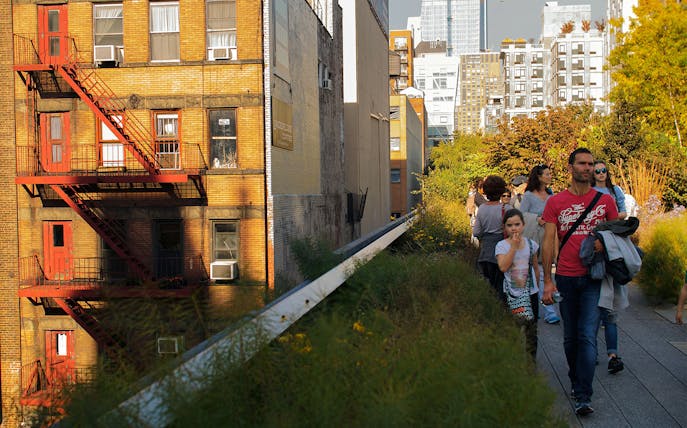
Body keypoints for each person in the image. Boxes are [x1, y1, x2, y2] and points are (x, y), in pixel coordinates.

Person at [541, 148, 619, 416]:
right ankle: (576, 381)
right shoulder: (556, 202)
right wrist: (547, 281)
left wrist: (603, 243)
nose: (587, 168)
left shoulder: (605, 201)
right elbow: (548, 240)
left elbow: (620, 236)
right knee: (570, 337)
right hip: (565, 276)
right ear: (571, 166)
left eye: (591, 164)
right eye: (582, 164)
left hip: (594, 277)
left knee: (587, 336)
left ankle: (584, 395)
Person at [592, 160, 628, 374]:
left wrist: (609, 219)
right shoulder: (588, 192)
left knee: (610, 310)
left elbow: (623, 213)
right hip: (596, 248)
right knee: (595, 306)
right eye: (597, 170)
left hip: (613, 245)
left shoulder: (615, 190)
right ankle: (593, 351)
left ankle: (613, 354)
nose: (600, 173)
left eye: (604, 170)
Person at [496, 209, 540, 360]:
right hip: (511, 294)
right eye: (509, 225)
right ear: (505, 227)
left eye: (517, 224)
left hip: (530, 293)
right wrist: (513, 248)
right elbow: (503, 267)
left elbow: (535, 267)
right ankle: (513, 361)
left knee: (531, 331)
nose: (514, 228)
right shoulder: (502, 246)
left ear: (523, 225)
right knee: (512, 329)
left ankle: (530, 363)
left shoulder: (531, 244)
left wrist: (538, 288)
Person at [520, 164, 561, 325]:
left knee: (545, 271)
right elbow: (521, 215)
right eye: (547, 174)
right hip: (533, 236)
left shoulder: (552, 196)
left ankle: (545, 308)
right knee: (534, 272)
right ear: (539, 177)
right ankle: (540, 308)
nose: (550, 176)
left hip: (548, 237)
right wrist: (536, 219)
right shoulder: (529, 196)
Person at [472, 175, 512, 301]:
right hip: (505, 251)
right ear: (501, 191)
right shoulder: (507, 209)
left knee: (489, 286)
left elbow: (476, 231)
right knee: (503, 285)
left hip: (486, 252)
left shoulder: (482, 209)